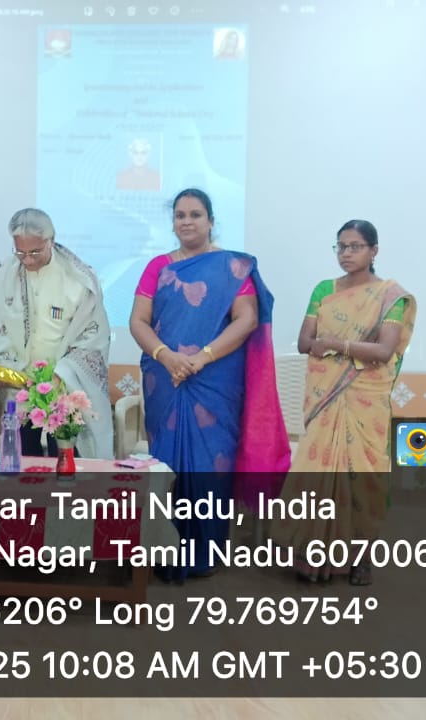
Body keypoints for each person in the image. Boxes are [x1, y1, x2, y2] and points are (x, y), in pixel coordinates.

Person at [129, 188, 290, 581]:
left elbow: (246, 319)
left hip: (214, 379)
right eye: (180, 215)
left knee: (211, 463)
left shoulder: (233, 267)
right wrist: (167, 356)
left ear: (211, 221)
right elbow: (138, 321)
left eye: (195, 214)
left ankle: (205, 551)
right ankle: (163, 550)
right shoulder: (158, 266)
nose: (187, 222)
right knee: (167, 464)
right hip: (165, 379)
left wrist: (201, 358)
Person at [269, 219, 416, 586]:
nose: (346, 254)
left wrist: (336, 344)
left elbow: (383, 350)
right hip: (326, 397)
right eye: (341, 246)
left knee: (364, 477)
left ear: (374, 251)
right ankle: (312, 557)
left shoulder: (390, 296)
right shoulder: (324, 289)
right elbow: (305, 342)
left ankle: (361, 559)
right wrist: (336, 346)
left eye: (355, 246)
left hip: (366, 399)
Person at [0, 208, 113, 458]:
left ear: (50, 241)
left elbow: (92, 337)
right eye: (20, 252)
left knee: (65, 460)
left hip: (64, 386)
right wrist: (1, 370)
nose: (28, 260)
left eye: (35, 252)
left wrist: (60, 375)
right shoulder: (1, 276)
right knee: (21, 459)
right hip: (17, 385)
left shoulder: (79, 280)